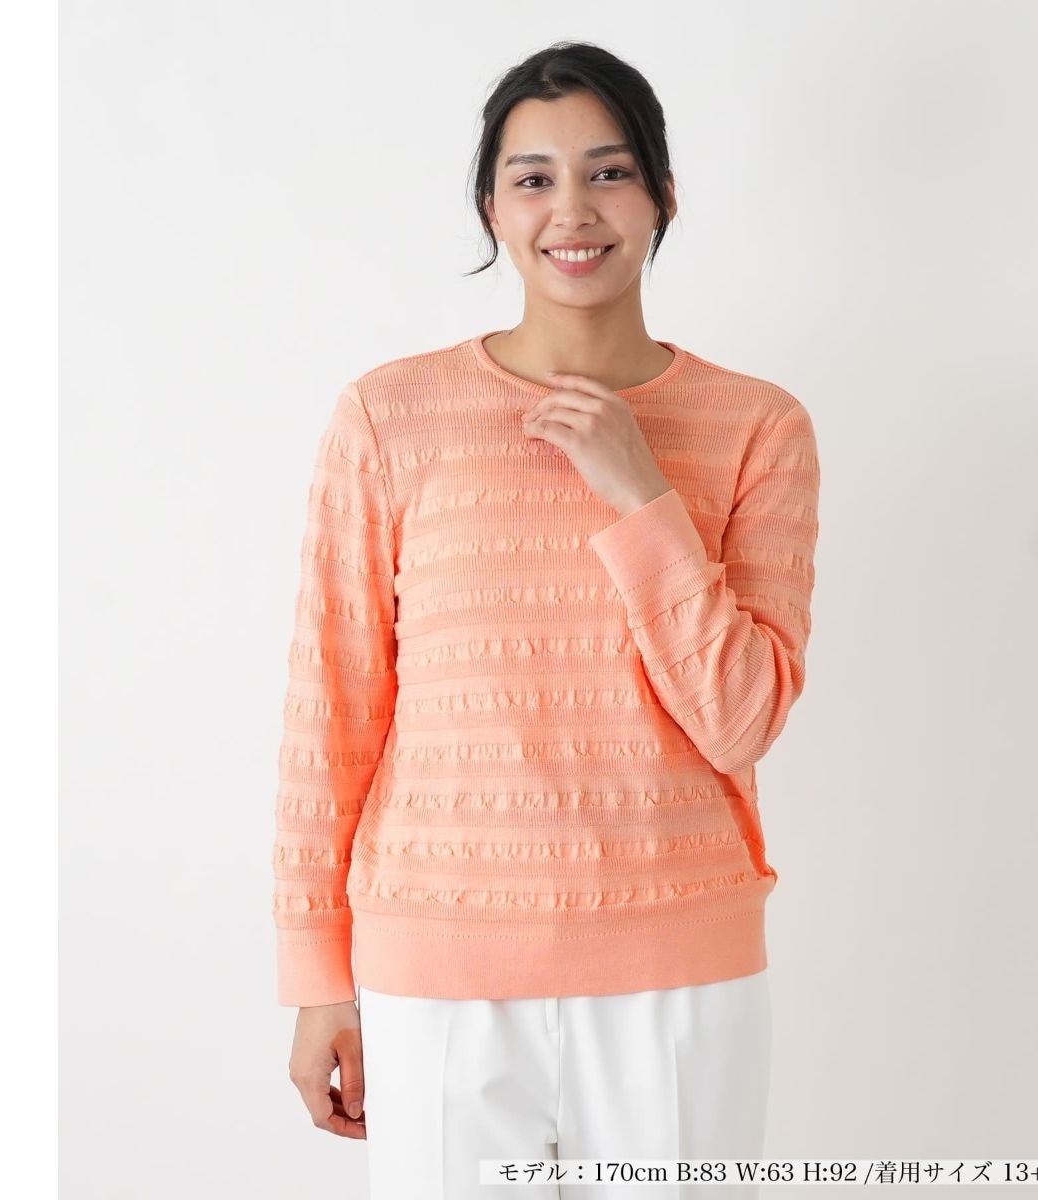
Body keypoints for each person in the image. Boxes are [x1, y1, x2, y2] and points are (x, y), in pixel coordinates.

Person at [272, 40, 821, 1199]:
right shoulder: (388, 417)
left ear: (662, 195)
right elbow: (334, 707)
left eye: (609, 172)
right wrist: (318, 976)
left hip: (681, 971)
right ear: (493, 206)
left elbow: (742, 721)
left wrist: (642, 495)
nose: (573, 209)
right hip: (435, 970)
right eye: (533, 178)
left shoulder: (759, 427)